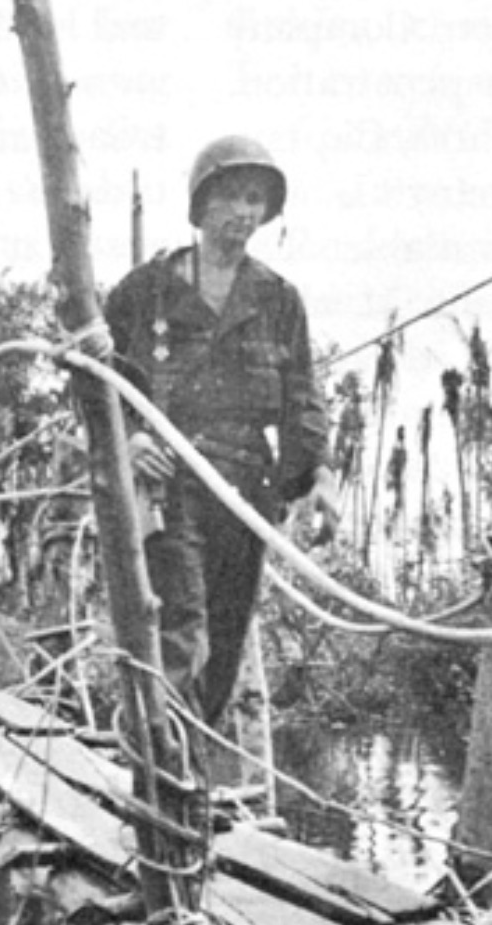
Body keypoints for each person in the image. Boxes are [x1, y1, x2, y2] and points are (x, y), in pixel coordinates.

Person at [105, 135, 340, 725]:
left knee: (228, 633)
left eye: (256, 200)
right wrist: (129, 439)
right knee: (181, 623)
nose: (244, 212)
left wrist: (321, 477)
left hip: (244, 488)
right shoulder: (145, 291)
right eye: (232, 196)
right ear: (202, 203)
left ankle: (191, 765)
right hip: (169, 481)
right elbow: (96, 384)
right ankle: (162, 774)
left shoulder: (278, 299)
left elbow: (302, 397)